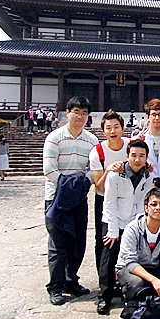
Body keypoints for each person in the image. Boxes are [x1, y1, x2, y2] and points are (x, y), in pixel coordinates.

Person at [43, 96, 99, 306]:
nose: (80, 116)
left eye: (84, 113)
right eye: (76, 111)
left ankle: (71, 280)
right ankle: (55, 286)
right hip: (56, 197)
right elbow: (49, 169)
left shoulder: (92, 141)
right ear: (67, 113)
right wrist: (69, 187)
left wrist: (80, 186)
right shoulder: (55, 137)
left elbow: (93, 169)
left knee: (78, 243)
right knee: (58, 244)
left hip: (78, 198)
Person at [97, 139, 154, 315]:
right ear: (127, 156)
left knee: (132, 259)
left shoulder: (148, 175)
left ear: (146, 158)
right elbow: (109, 203)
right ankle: (104, 297)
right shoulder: (116, 174)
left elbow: (143, 202)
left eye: (142, 156)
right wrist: (113, 231)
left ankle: (127, 292)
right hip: (114, 221)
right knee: (109, 258)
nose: (137, 160)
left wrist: (140, 226)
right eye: (134, 155)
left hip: (134, 223)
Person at [116, 188, 160, 319]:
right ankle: (132, 300)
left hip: (154, 266)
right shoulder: (132, 229)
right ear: (146, 208)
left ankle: (152, 298)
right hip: (130, 268)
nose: (158, 208)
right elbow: (130, 262)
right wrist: (155, 281)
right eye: (154, 204)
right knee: (136, 283)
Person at [89, 110, 129, 276]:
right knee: (104, 240)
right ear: (103, 130)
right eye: (108, 128)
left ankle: (125, 277)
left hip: (127, 199)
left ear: (122, 128)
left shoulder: (131, 145)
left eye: (116, 127)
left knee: (127, 238)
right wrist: (108, 171)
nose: (113, 131)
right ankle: (104, 278)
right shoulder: (97, 152)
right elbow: (100, 187)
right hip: (105, 200)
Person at [133, 99, 160, 184]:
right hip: (144, 184)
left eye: (159, 115)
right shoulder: (140, 139)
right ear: (148, 117)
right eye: (153, 115)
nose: (156, 118)